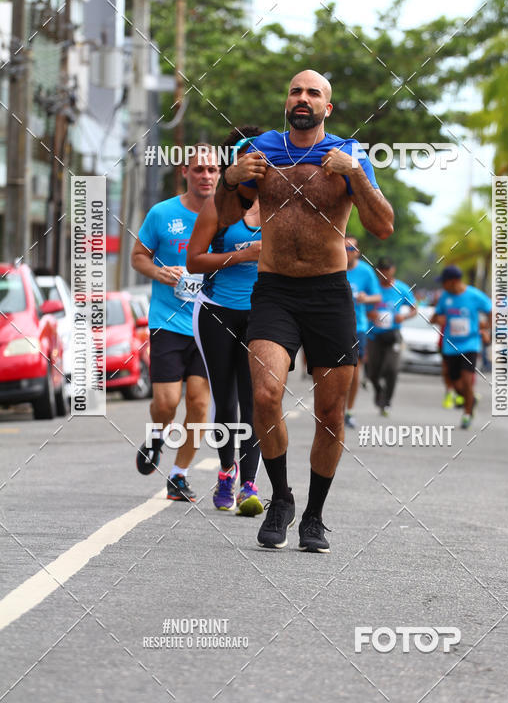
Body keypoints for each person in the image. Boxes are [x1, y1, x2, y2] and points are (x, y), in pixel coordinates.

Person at [215, 69, 393, 552]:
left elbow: (382, 227)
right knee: (265, 394)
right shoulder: (261, 151)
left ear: (326, 108)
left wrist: (356, 174)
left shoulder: (350, 154)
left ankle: (314, 516)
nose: (303, 98)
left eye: (313, 93)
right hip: (274, 290)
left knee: (330, 412)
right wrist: (229, 180)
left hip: (329, 294)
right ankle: (280, 498)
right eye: (296, 90)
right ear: (286, 101)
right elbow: (225, 219)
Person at [130, 144, 219, 500]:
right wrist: (160, 273)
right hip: (167, 321)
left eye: (212, 170)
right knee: (167, 402)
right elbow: (138, 256)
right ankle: (157, 435)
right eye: (199, 169)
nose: (206, 176)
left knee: (198, 404)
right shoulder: (162, 213)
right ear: (185, 172)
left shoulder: (228, 217)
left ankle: (178, 475)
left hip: (209, 323)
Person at [187, 134, 264, 516]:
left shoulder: (282, 205)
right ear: (235, 164)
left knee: (256, 400)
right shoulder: (217, 206)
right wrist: (243, 255)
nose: (256, 165)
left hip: (262, 315)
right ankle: (225, 473)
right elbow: (194, 261)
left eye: (263, 159)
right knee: (226, 400)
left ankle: (249, 484)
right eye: (248, 158)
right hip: (216, 311)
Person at [430, 265, 492, 429]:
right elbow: (434, 317)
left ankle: (467, 414)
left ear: (453, 281)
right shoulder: (445, 297)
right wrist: (437, 319)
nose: (442, 285)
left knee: (467, 380)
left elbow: (492, 310)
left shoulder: (474, 295)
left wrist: (487, 329)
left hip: (470, 344)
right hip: (450, 346)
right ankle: (471, 399)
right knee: (457, 385)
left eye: (444, 282)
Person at [366, 257, 417, 416]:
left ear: (393, 270)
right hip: (374, 335)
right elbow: (361, 307)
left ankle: (386, 401)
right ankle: (378, 390)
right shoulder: (372, 288)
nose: (385, 274)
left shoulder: (401, 288)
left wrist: (404, 317)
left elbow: (414, 309)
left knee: (392, 369)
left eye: (388, 270)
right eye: (382, 270)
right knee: (373, 372)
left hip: (393, 335)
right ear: (378, 272)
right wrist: (370, 314)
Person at [344, 236, 381, 429]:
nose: (347, 252)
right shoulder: (332, 266)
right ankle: (333, 409)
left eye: (350, 249)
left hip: (357, 328)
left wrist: (366, 299)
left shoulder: (365, 271)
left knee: (354, 370)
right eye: (344, 248)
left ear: (357, 252)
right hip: (333, 327)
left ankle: (349, 410)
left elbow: (377, 296)